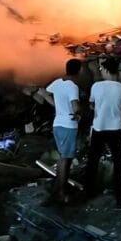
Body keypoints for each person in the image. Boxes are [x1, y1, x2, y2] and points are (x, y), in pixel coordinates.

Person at [85, 57, 121, 206]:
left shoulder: (96, 86)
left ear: (105, 70)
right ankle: (118, 195)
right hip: (117, 128)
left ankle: (88, 191)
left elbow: (91, 105)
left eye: (101, 69)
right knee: (118, 162)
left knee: (93, 160)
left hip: (99, 127)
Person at [41, 58, 82, 203]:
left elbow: (44, 93)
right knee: (66, 159)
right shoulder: (73, 86)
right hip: (68, 125)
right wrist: (79, 114)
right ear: (79, 71)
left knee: (63, 158)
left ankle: (57, 190)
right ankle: (61, 194)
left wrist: (56, 105)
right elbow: (75, 106)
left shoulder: (57, 83)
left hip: (57, 124)